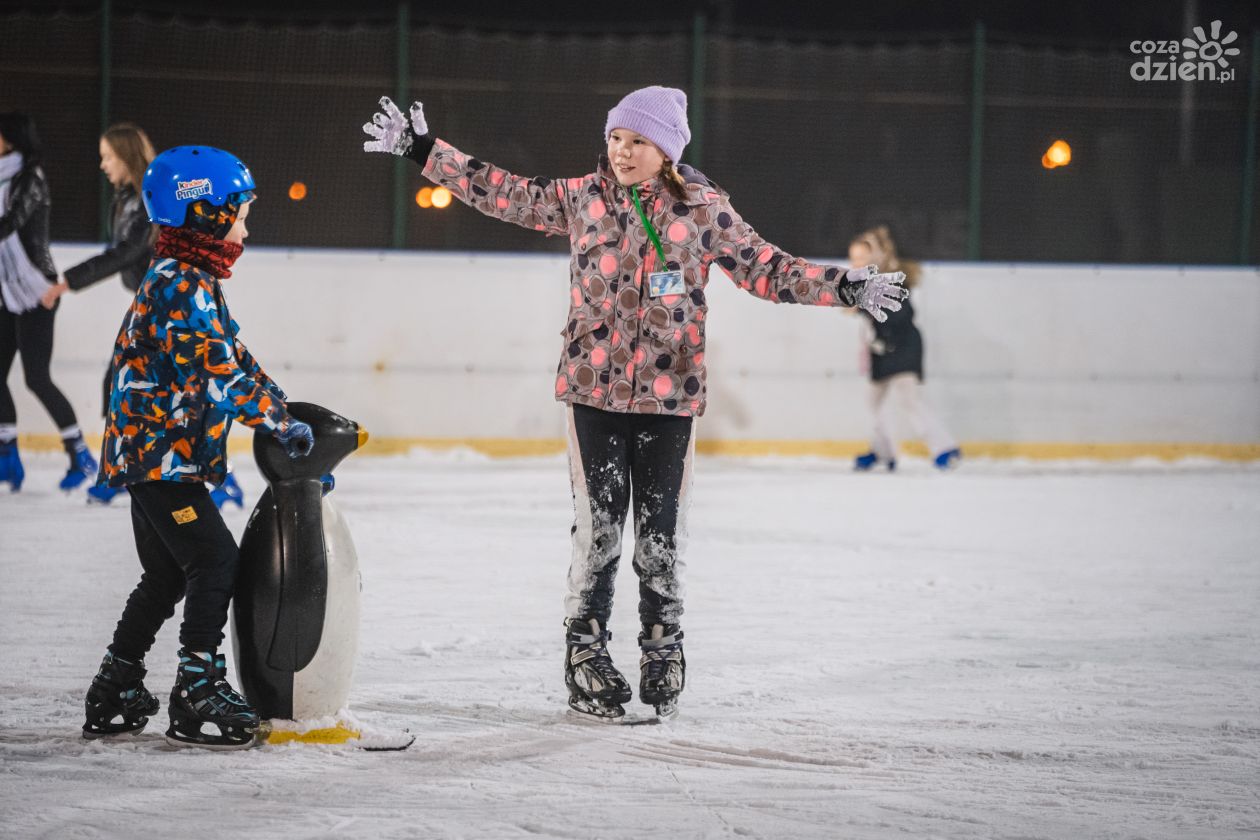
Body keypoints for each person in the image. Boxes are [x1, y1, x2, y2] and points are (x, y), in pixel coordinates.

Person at [362, 88, 908, 720]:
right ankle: (586, 655)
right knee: (598, 532)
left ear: (666, 150)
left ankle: (662, 646)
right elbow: (503, 191)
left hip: (669, 397)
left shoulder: (704, 211)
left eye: (638, 141)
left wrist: (845, 286)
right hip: (592, 394)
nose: (621, 152)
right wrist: (424, 150)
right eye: (616, 138)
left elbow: (766, 268)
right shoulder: (581, 199)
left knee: (660, 536)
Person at [82, 145, 314, 749]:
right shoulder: (180, 284)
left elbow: (232, 354)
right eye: (238, 211)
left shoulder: (194, 278)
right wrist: (274, 421)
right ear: (201, 213)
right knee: (214, 561)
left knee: (165, 575)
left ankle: (117, 685)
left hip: (154, 456)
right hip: (161, 461)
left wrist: (280, 407)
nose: (245, 223)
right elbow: (216, 370)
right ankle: (197, 689)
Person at [0, 112, 97, 492]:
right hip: (7, 291)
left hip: (38, 289)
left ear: (12, 138)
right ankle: (8, 457)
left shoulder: (30, 178)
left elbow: (13, 221)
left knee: (36, 377)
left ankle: (79, 455)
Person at [848, 225, 960, 471]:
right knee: (873, 401)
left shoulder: (889, 279)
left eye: (861, 258)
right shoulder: (866, 282)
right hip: (881, 352)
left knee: (909, 400)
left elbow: (902, 313)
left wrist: (866, 310)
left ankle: (945, 448)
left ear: (875, 256)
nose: (855, 263)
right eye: (853, 259)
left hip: (902, 348)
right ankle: (882, 451)